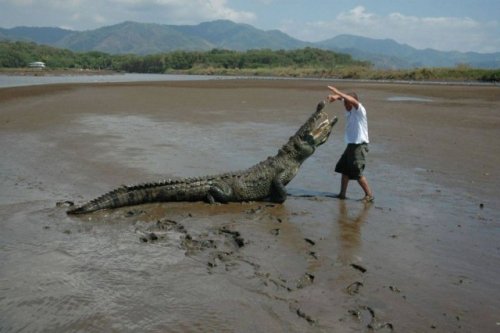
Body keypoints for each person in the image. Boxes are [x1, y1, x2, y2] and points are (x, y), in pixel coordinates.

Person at [327, 85, 374, 203]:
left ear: (353, 103)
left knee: (357, 172)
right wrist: (335, 96)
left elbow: (351, 100)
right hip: (351, 145)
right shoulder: (348, 105)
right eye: (345, 104)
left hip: (359, 145)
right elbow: (344, 99)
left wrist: (338, 91)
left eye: (347, 104)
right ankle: (342, 194)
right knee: (344, 169)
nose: (346, 106)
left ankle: (369, 195)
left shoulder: (360, 110)